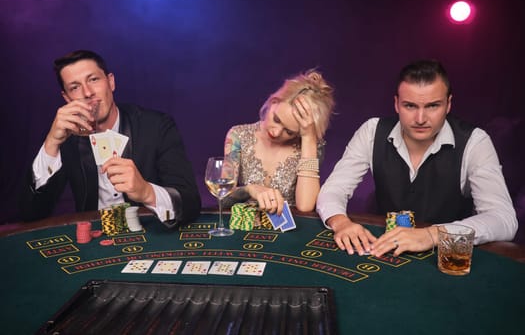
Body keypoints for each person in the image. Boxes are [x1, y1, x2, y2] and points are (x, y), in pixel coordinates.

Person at [317, 59, 518, 256]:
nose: (420, 119)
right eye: (410, 106)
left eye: (432, 106)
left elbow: (503, 219)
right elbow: (334, 189)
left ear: (448, 104)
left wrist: (432, 235)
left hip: (447, 260)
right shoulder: (372, 132)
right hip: (385, 253)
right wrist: (340, 222)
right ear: (396, 104)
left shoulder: (475, 142)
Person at [18, 50, 201, 227]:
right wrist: (51, 144)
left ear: (110, 82)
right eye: (75, 87)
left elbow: (191, 203)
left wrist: (146, 192)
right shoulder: (65, 136)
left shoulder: (157, 126)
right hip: (95, 242)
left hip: (151, 233)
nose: (87, 92)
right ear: (67, 98)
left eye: (94, 79)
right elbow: (33, 216)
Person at [223, 69, 335, 214]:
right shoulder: (238, 135)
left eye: (289, 132)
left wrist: (308, 139)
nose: (275, 132)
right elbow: (223, 197)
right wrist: (250, 189)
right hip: (246, 228)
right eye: (276, 119)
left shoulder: (312, 145)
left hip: (292, 232)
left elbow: (305, 206)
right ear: (273, 102)